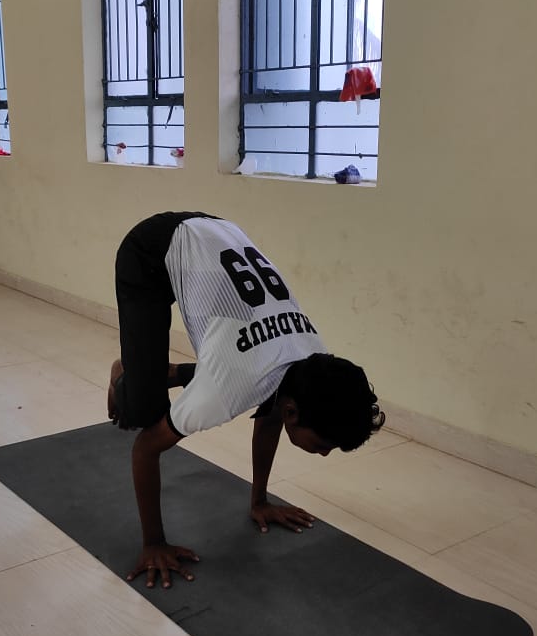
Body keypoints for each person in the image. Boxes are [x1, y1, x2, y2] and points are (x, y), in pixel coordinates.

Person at [108, 211, 385, 589]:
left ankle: (163, 372)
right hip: (150, 252)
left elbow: (271, 414)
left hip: (217, 234)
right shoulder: (225, 391)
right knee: (141, 412)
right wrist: (154, 543)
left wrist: (259, 501)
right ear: (292, 412)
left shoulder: (311, 360)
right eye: (324, 444)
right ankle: (126, 373)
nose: (323, 454)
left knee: (247, 375)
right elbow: (145, 449)